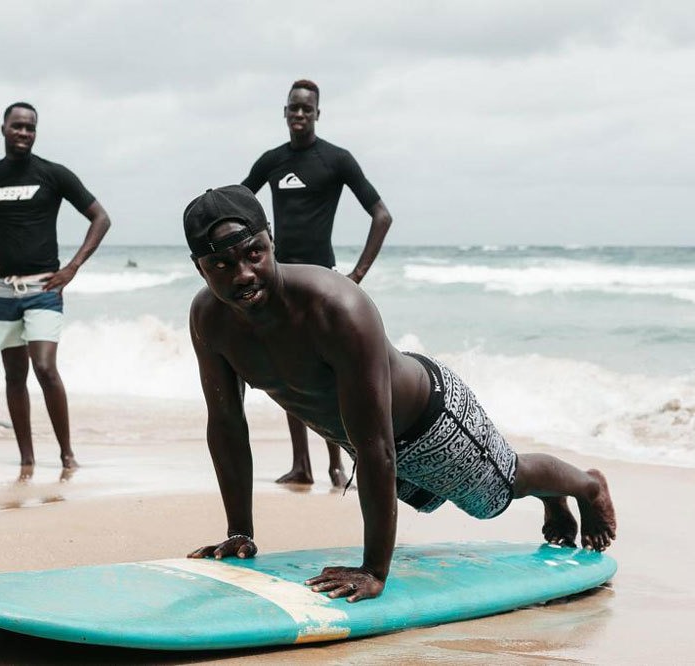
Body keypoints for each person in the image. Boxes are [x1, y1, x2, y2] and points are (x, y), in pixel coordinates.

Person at [183, 185, 616, 602]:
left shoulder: (335, 308)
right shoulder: (209, 320)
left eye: (253, 253)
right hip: (361, 437)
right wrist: (240, 532)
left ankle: (586, 486)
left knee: (497, 493)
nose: (242, 274)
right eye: (220, 264)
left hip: (428, 418)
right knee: (450, 495)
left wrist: (374, 570)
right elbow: (226, 424)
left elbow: (377, 446)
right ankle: (552, 496)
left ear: (271, 242)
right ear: (198, 266)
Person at [0, 102, 111, 469]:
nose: (24, 133)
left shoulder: (53, 174)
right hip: (1, 290)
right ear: (3, 129)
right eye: (17, 126)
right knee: (14, 375)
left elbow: (100, 218)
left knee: (44, 368)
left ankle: (66, 454)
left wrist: (72, 268)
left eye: (30, 128)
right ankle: (26, 459)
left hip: (44, 289)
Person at [241, 79, 393, 488]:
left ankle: (335, 463)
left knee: (329, 372)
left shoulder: (336, 160)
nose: (300, 115)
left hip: (322, 281)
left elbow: (381, 215)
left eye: (307, 109)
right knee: (286, 370)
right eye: (294, 108)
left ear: (318, 114)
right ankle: (301, 465)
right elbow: (240, 202)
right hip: (279, 281)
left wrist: (357, 275)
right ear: (285, 112)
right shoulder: (272, 161)